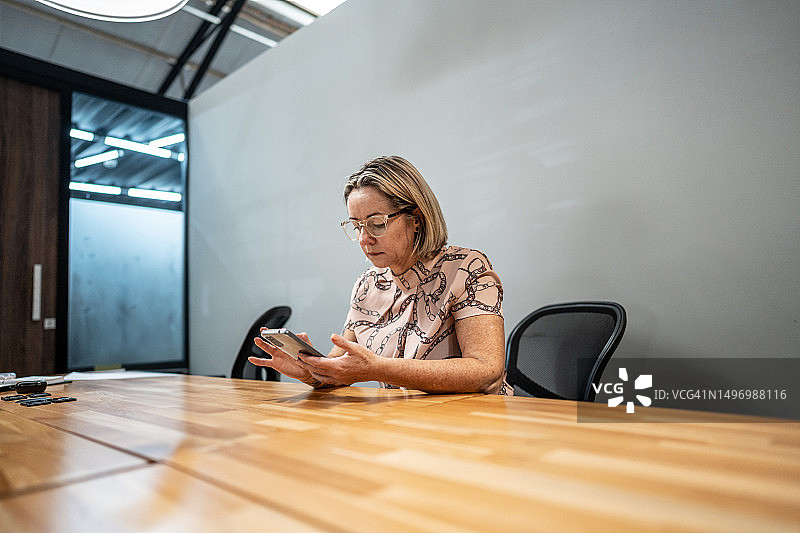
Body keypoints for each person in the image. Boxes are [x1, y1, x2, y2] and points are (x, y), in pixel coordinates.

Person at [249, 156, 511, 394]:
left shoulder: (465, 268)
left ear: (416, 218)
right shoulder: (367, 286)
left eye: (376, 224)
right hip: (408, 424)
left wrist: (377, 369)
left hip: (475, 425)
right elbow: (340, 370)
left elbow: (486, 372)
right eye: (356, 226)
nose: (364, 239)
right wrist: (309, 370)